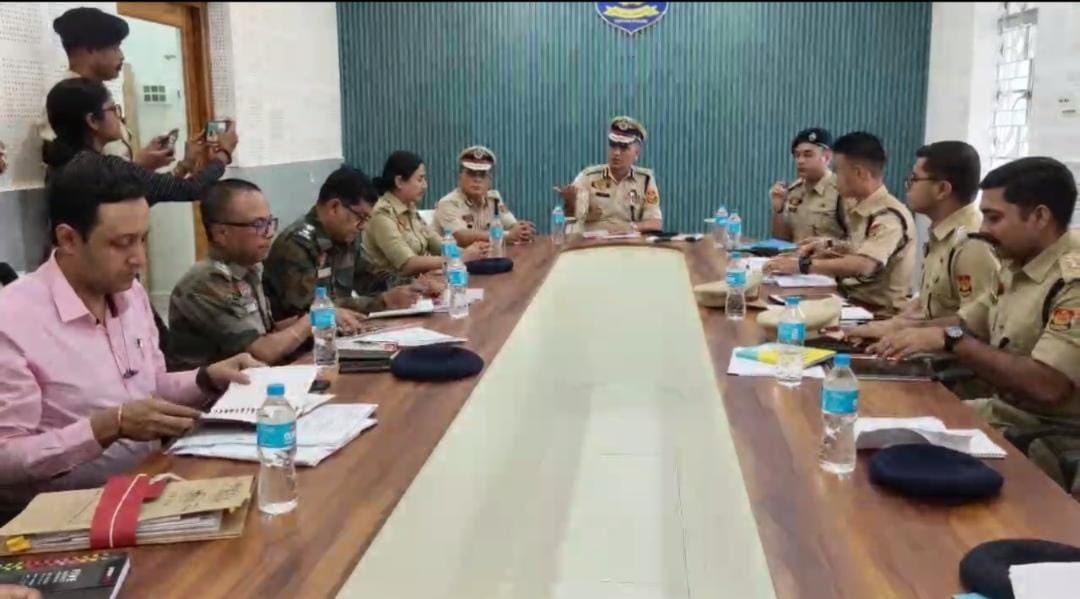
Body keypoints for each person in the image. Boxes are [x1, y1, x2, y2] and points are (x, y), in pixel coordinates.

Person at [0, 157, 259, 505]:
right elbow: (6, 459)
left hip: (149, 488)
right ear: (69, 239)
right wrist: (106, 427)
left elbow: (148, 388)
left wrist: (206, 379)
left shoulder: (130, 294)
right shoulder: (13, 320)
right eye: (122, 243)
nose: (139, 259)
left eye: (142, 240)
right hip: (67, 515)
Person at [866, 157, 1079, 486]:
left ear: (1039, 217)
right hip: (1002, 414)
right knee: (884, 425)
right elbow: (967, 321)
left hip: (1050, 438)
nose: (983, 230)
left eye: (994, 218)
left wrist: (952, 341)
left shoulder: (1071, 282)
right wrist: (898, 331)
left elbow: (1047, 385)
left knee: (900, 464)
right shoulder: (1017, 263)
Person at [849, 141, 999, 339]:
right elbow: (931, 303)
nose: (907, 187)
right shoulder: (943, 234)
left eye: (914, 179)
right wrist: (893, 324)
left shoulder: (972, 244)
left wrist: (899, 329)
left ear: (942, 189)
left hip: (946, 352)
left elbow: (977, 324)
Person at [764, 132, 916, 316]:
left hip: (877, 313)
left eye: (838, 171)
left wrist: (802, 266)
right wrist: (829, 244)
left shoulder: (887, 215)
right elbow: (860, 247)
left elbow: (864, 264)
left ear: (859, 173)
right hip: (848, 300)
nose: (834, 178)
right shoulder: (862, 207)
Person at [167, 180, 312, 370]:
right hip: (218, 387)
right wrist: (314, 320)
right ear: (221, 233)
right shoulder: (206, 282)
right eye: (258, 224)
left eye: (269, 222)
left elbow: (265, 332)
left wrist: (325, 318)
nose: (269, 233)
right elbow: (262, 353)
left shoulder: (248, 270)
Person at [263, 165, 432, 325]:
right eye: (361, 217)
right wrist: (383, 302)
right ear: (334, 207)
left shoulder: (345, 237)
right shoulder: (296, 245)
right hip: (305, 342)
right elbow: (313, 309)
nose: (363, 226)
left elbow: (372, 278)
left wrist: (415, 286)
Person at [44, 78, 235, 205]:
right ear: (93, 120)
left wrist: (185, 165)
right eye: (113, 109)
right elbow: (188, 189)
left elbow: (149, 192)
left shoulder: (65, 166)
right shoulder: (101, 167)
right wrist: (224, 154)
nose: (119, 117)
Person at [41, 7, 167, 168]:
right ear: (89, 49)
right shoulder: (63, 103)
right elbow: (77, 173)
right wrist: (140, 165)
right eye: (115, 47)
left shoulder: (100, 94)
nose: (121, 55)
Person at [364, 151, 488, 276]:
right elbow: (408, 264)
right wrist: (459, 258)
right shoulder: (382, 214)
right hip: (391, 286)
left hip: (419, 282)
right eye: (420, 179)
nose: (425, 186)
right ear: (399, 181)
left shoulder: (410, 209)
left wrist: (474, 252)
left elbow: (436, 243)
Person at [556, 116, 662, 233]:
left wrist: (629, 228)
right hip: (592, 241)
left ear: (636, 153)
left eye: (624, 148)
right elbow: (571, 217)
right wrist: (570, 203)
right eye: (613, 145)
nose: (616, 153)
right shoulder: (588, 177)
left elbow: (655, 223)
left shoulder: (645, 180)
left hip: (627, 241)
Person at [434, 145, 536, 246]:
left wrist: (522, 231)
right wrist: (506, 236)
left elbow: (511, 225)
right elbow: (460, 237)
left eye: (482, 175)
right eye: (471, 174)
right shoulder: (448, 203)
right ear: (460, 177)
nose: (477, 180)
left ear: (489, 180)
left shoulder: (494, 199)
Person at [769, 127, 846, 242]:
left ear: (827, 157)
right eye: (797, 155)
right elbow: (781, 240)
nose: (800, 161)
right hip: (794, 253)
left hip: (827, 254)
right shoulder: (793, 191)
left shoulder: (842, 191)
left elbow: (856, 241)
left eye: (808, 155)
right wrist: (778, 210)